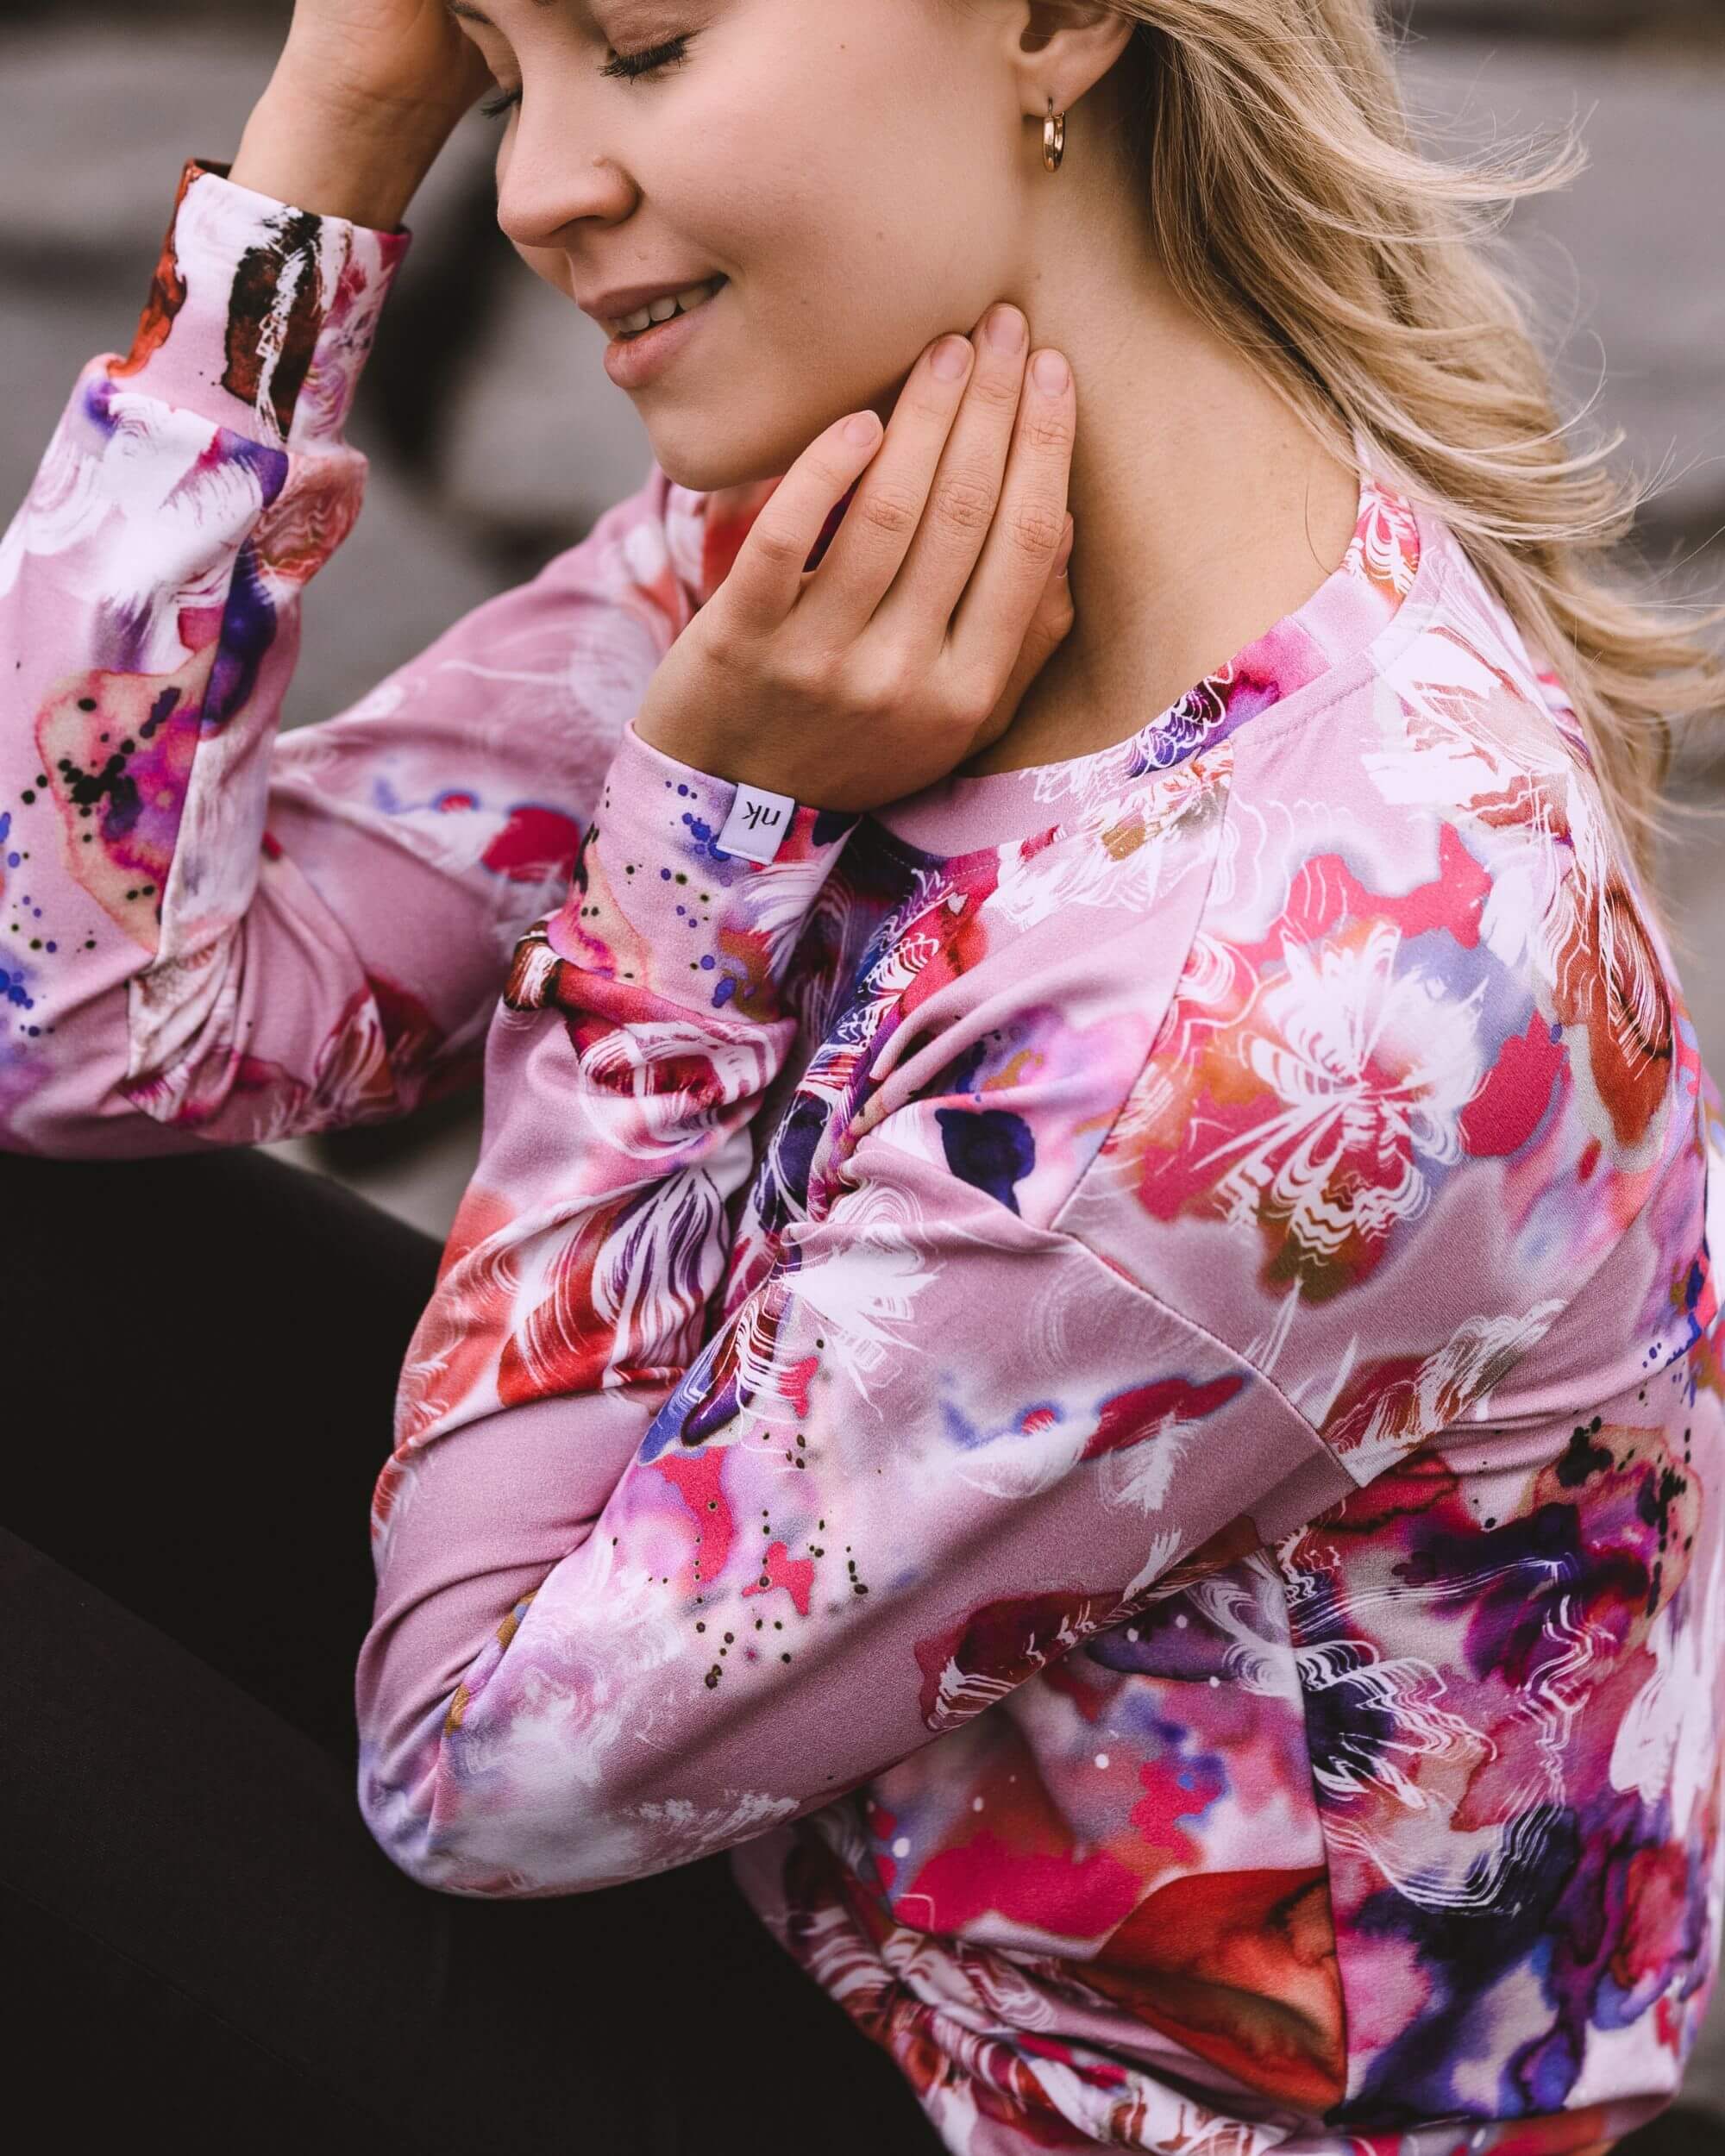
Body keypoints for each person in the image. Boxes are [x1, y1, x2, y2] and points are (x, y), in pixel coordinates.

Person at [3, 1, 1723, 2151]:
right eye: (495, 73)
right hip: (818, 1838)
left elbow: (470, 1774)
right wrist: (324, 146)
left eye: (639, 43)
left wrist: (680, 879)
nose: (532, 189)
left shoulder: (1290, 1027)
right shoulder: (877, 516)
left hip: (1012, 2092)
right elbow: (66, 1012)